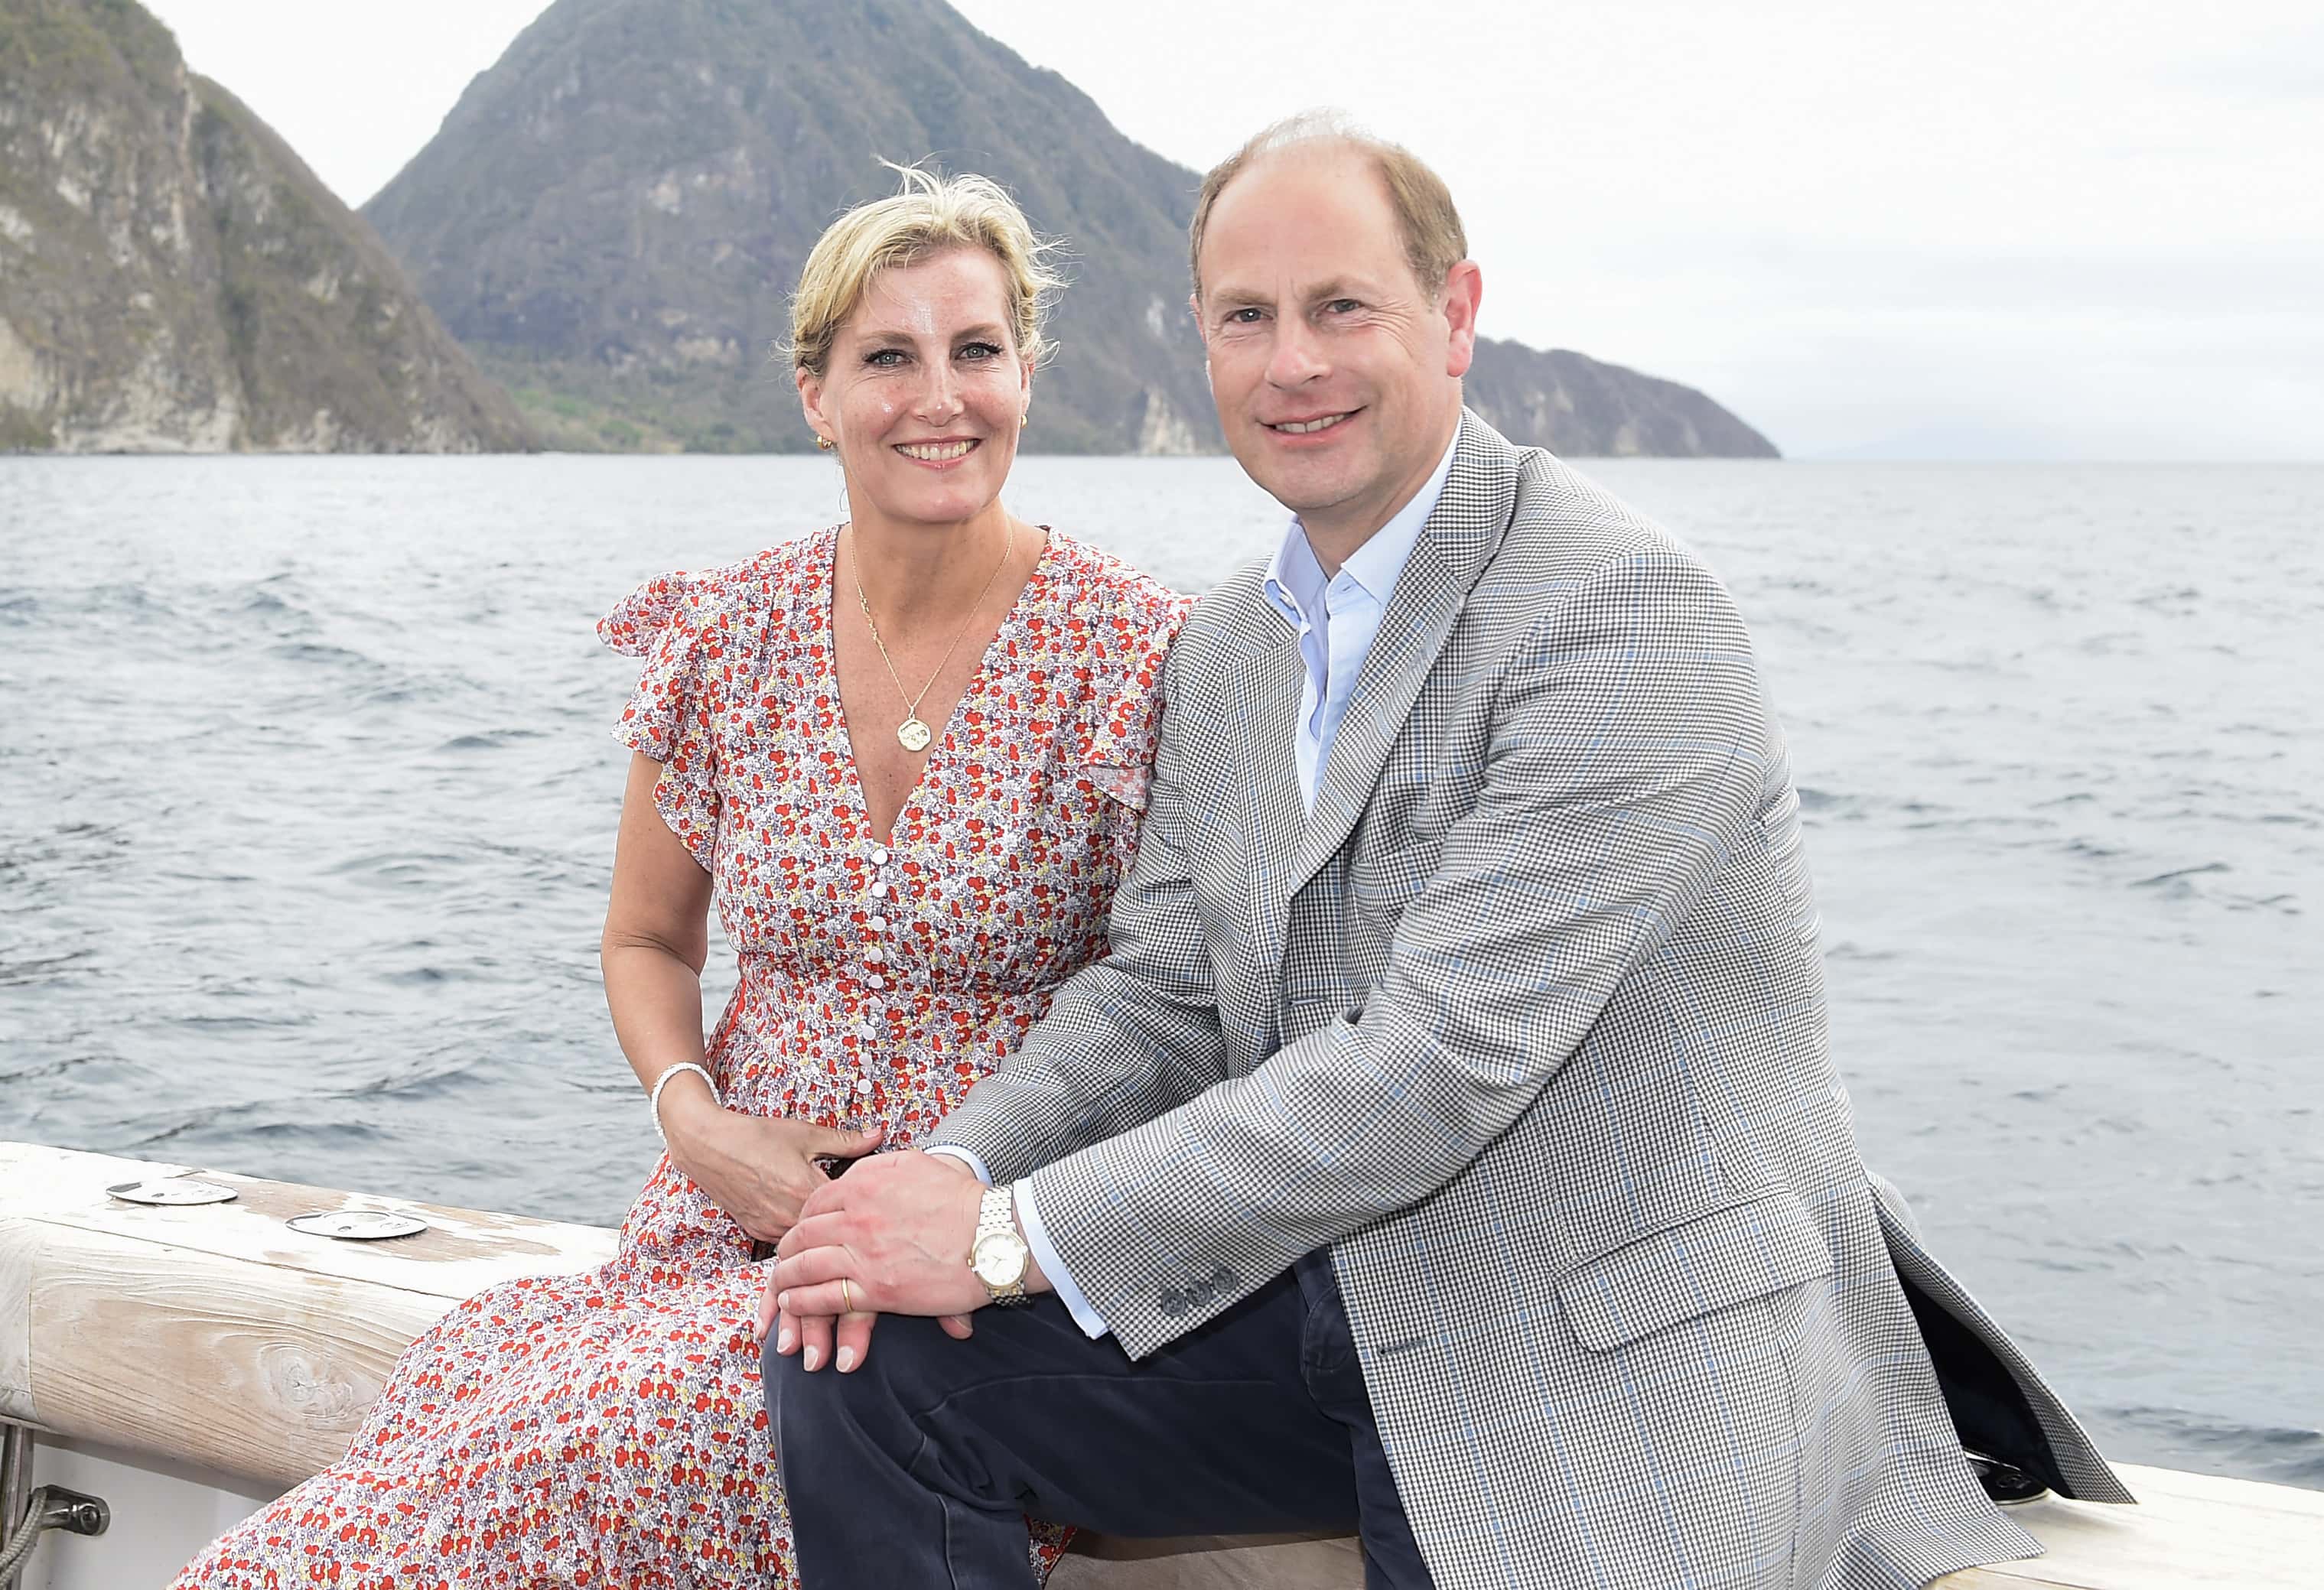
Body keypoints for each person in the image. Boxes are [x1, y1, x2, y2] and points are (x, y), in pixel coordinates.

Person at [761, 115, 2134, 1590]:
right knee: (863, 1367)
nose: (1294, 364)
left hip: (1599, 1338)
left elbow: (1437, 1063)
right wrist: (943, 1171)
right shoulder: (1226, 646)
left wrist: (1000, 1236)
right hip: (1336, 1304)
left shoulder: (1620, 611)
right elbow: (1155, 996)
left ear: (1456, 315)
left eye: (1341, 307)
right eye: (1247, 318)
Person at [168, 167, 1186, 1590]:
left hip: (959, 1275)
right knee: (471, 1377)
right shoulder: (725, 636)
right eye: (886, 356)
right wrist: (697, 1122)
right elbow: (647, 939)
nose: (938, 396)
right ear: (814, 394)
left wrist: (985, 1206)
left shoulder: (1140, 655)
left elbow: (1177, 1003)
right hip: (707, 1221)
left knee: (484, 1486)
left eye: (976, 351)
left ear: (1027, 373)